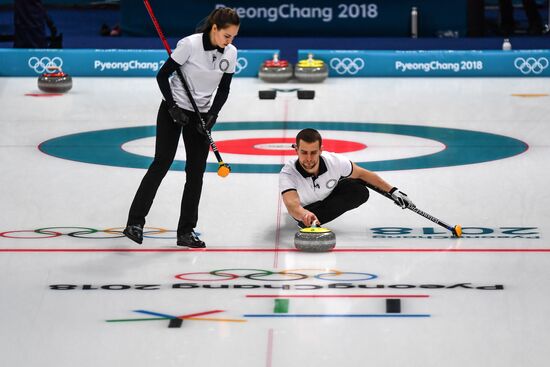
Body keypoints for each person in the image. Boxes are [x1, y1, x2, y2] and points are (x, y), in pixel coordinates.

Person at [123, 8, 240, 248]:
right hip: (174, 110)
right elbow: (162, 76)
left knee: (195, 173)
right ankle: (135, 223)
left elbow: (224, 88)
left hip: (201, 116)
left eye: (233, 37)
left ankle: (186, 231)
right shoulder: (190, 45)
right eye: (227, 36)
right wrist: (172, 106)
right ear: (214, 29)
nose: (230, 41)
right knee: (161, 163)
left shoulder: (231, 53)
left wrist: (213, 115)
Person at [279, 128, 413, 228]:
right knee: (305, 215)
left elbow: (363, 174)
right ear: (296, 150)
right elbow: (292, 205)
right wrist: (304, 215)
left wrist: (393, 191)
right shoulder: (288, 173)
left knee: (359, 191)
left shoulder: (335, 161)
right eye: (304, 152)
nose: (308, 159)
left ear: (321, 150)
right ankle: (310, 221)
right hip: (307, 209)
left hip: (329, 195)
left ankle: (315, 219)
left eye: (313, 152)